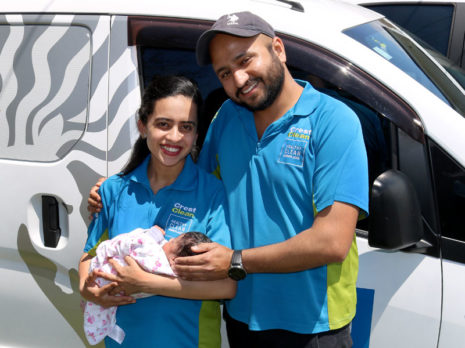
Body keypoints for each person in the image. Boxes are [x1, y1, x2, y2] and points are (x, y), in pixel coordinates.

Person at [88, 11, 369, 347]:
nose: (238, 79)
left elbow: (332, 241)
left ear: (278, 49)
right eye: (225, 73)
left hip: (313, 325)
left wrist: (235, 260)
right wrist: (114, 190)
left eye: (245, 60)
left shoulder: (334, 121)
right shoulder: (226, 119)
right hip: (241, 316)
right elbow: (192, 190)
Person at [79, 75, 236, 348]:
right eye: (163, 124)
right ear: (143, 126)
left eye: (186, 127)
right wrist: (89, 291)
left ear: (196, 134)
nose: (174, 137)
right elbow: (89, 257)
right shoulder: (114, 189)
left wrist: (145, 283)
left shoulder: (212, 193)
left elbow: (226, 286)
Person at [84, 227, 212, 345]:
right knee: (102, 310)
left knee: (101, 307)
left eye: (173, 242)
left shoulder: (151, 249)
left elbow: (135, 241)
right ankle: (99, 328)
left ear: (175, 260)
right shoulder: (176, 275)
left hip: (104, 275)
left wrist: (153, 234)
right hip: (107, 278)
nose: (170, 239)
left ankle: (98, 327)